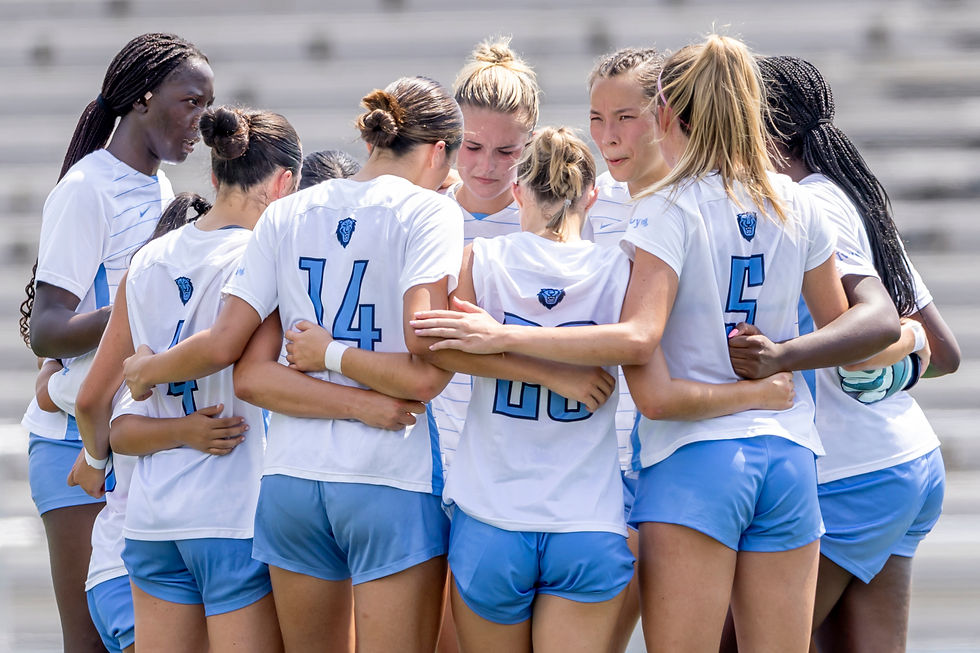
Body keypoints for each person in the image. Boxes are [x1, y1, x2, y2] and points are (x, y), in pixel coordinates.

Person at [413, 35, 901, 652]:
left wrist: (503, 336)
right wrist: (793, 360)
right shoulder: (798, 203)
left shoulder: (663, 207)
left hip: (692, 461)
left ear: (665, 114)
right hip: (788, 454)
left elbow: (649, 369)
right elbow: (844, 334)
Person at [120, 77, 471, 653]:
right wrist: (358, 379)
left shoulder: (288, 212)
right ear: (439, 152)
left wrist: (329, 360)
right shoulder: (429, 211)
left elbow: (251, 374)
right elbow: (424, 374)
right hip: (387, 478)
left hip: (290, 484)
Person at [75, 105, 305, 652]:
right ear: (285, 184)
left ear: (213, 174)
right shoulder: (266, 254)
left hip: (153, 519)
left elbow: (94, 399)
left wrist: (99, 457)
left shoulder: (149, 259)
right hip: (232, 511)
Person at [754, 55, 960, 653]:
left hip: (854, 475)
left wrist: (785, 356)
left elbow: (887, 331)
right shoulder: (849, 194)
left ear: (762, 126)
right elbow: (940, 349)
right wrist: (905, 346)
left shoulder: (810, 203)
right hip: (903, 463)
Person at [18, 32, 212, 653]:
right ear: (143, 97)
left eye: (207, 108)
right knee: (92, 643)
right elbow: (46, 327)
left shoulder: (156, 188)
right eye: (189, 103)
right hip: (71, 442)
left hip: (123, 435)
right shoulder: (87, 187)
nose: (199, 123)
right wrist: (139, 305)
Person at [586, 47, 670, 651]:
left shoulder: (697, 205)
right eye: (597, 118)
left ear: (665, 114)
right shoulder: (588, 206)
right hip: (590, 464)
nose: (608, 137)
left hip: (669, 459)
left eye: (625, 117)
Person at [432, 37, 540, 472]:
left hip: (521, 448)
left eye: (507, 152)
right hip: (435, 445)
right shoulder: (422, 213)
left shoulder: (551, 223)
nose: (487, 167)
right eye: (473, 148)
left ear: (529, 142)